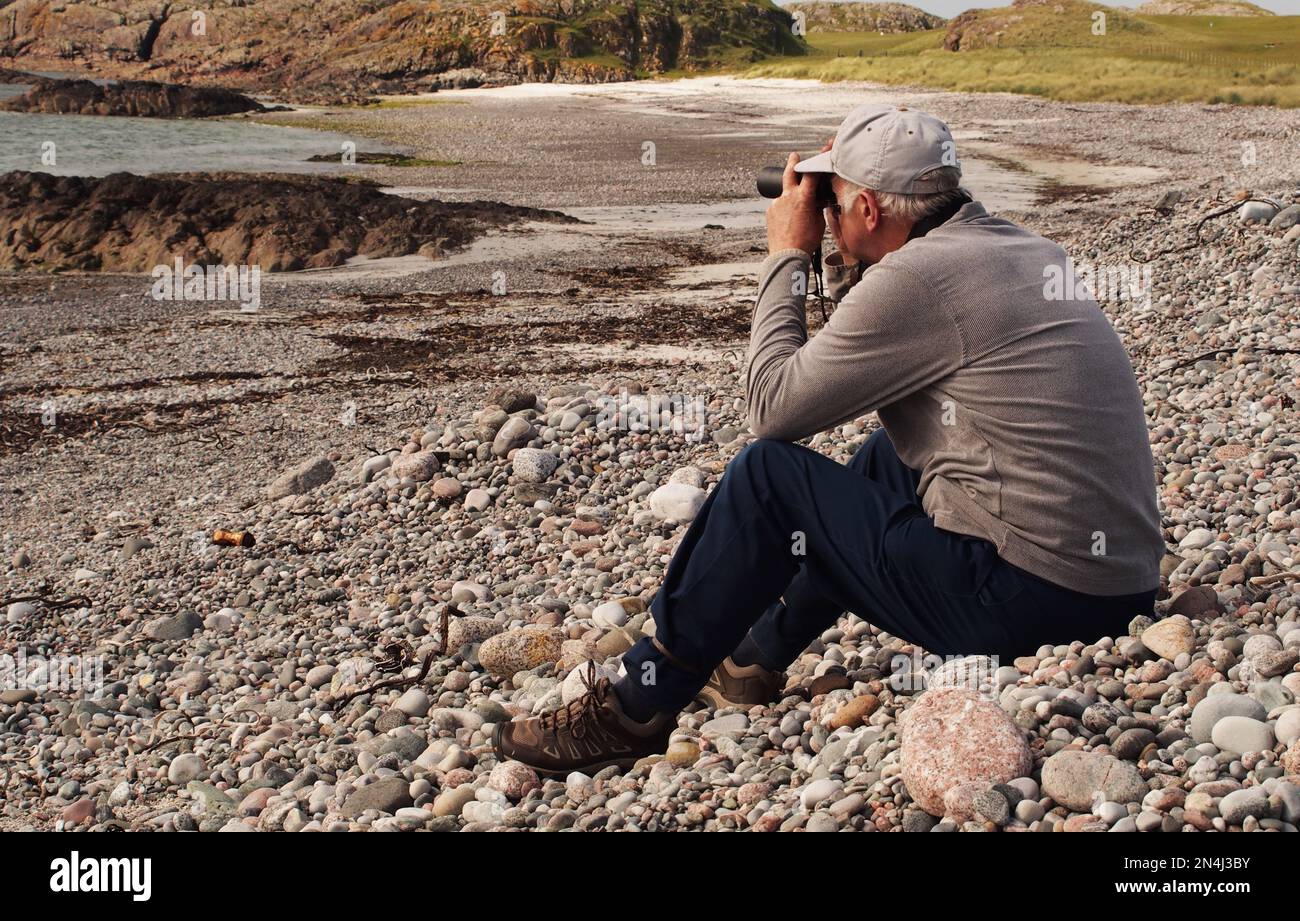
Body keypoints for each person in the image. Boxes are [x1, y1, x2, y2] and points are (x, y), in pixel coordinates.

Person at [493, 103, 1163, 775]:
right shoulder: (1018, 249)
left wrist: (788, 254)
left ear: (869, 210)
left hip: (1028, 603)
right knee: (887, 457)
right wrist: (841, 243)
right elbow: (867, 345)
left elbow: (774, 408)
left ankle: (637, 705)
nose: (820, 212)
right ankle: (751, 657)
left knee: (768, 477)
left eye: (832, 200)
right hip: (1115, 588)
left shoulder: (918, 279)